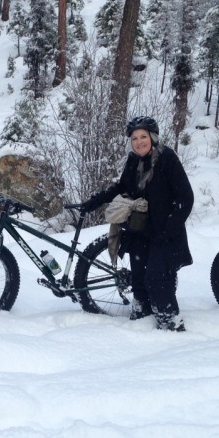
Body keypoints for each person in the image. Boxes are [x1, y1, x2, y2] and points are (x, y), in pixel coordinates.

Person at [81, 116, 194, 331]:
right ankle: (142, 315)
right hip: (141, 230)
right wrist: (96, 201)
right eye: (135, 138)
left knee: (157, 277)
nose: (139, 142)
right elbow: (122, 187)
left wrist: (170, 227)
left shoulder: (167, 159)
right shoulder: (134, 160)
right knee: (139, 276)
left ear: (152, 138)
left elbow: (186, 198)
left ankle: (170, 322)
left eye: (143, 136)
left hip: (165, 232)